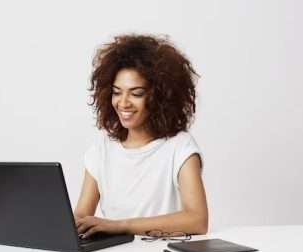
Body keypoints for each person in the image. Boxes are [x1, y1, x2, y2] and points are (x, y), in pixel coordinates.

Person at [74, 34, 208, 239]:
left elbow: (197, 220)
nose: (123, 103)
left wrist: (120, 226)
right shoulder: (101, 150)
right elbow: (81, 217)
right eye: (117, 92)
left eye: (136, 94)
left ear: (159, 98)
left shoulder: (180, 147)